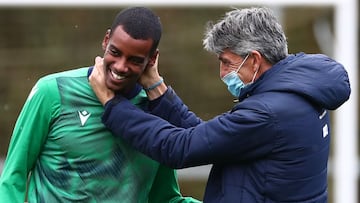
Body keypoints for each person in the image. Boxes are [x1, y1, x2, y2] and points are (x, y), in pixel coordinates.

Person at [89, 7, 351, 203]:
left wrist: (112, 105)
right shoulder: (299, 93)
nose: (222, 71)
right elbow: (213, 140)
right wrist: (157, 89)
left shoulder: (267, 113)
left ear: (254, 60)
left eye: (226, 61)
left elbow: (179, 148)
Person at [0, 7, 200, 203]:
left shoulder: (156, 111)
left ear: (152, 59)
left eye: (134, 60)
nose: (120, 66)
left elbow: (164, 198)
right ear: (106, 40)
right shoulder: (52, 91)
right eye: (115, 52)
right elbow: (13, 176)